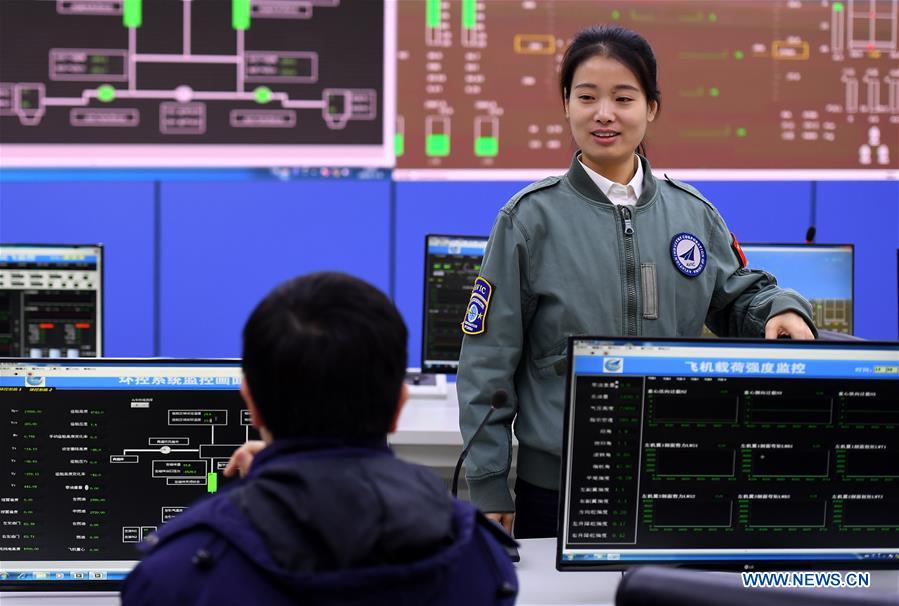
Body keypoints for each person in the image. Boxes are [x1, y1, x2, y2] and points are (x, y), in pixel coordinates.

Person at [457, 25, 817, 540]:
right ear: (566, 105)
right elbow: (486, 364)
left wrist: (778, 308)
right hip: (556, 490)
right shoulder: (527, 220)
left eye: (623, 97)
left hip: (676, 478)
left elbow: (741, 295)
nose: (604, 113)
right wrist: (490, 485)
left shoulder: (692, 214)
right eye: (587, 97)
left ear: (651, 108)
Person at [121, 272, 518, 606]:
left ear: (251, 404)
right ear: (399, 406)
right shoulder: (479, 561)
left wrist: (284, 473)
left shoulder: (173, 576)